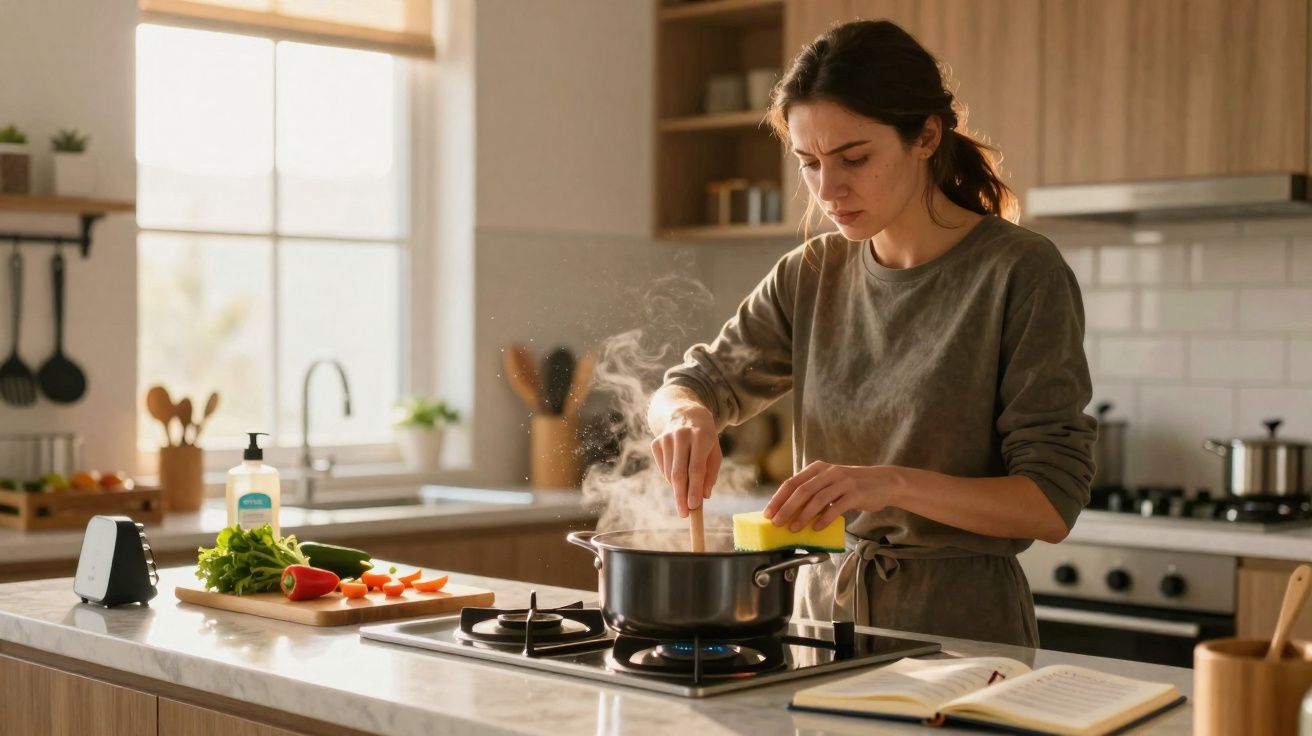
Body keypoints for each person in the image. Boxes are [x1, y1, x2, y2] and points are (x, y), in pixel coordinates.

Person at [645, 19, 1096, 647]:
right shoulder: (811, 273)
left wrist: (889, 483)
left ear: (926, 136)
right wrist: (683, 418)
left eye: (855, 159)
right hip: (819, 622)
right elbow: (690, 385)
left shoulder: (1019, 271)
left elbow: (1050, 503)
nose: (828, 190)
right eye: (809, 164)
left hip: (961, 637)